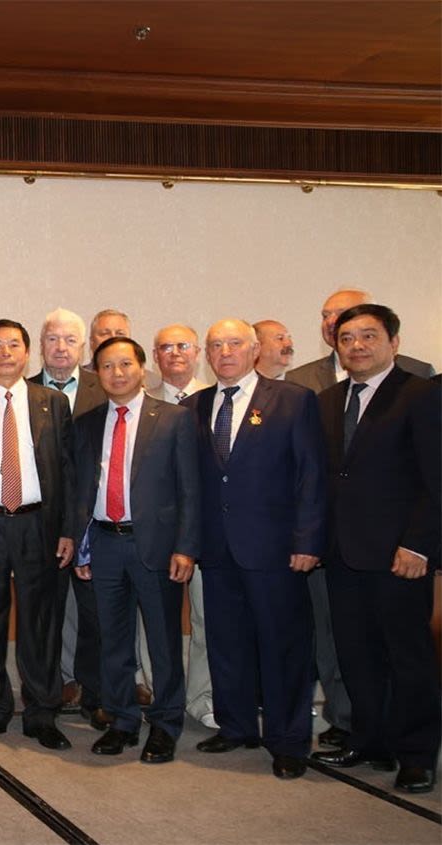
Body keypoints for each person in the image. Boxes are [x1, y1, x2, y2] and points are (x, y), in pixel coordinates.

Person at [285, 287, 433, 751]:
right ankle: (370, 742)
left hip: (399, 554)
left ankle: (417, 752)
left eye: (369, 336)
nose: (357, 346)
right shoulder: (327, 400)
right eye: (347, 338)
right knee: (357, 655)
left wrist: (419, 544)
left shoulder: (421, 394)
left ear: (394, 342)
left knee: (407, 656)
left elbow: (436, 480)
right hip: (342, 554)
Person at [189, 319, 325, 780]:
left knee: (282, 646)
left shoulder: (293, 400)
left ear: (254, 351)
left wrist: (308, 540)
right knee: (226, 643)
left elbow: (310, 475)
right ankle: (236, 725)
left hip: (276, 549)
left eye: (234, 343)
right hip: (216, 549)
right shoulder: (194, 406)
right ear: (207, 355)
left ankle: (288, 740)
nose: (225, 352)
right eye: (216, 345)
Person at [74, 337, 199, 764]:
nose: (117, 373)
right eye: (107, 366)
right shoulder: (88, 423)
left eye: (125, 364)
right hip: (104, 542)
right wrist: (81, 545)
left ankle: (165, 724)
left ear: (142, 368)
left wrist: (186, 547)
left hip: (157, 547)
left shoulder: (174, 419)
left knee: (163, 642)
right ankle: (123, 719)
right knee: (113, 640)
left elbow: (190, 489)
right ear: (98, 374)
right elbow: (81, 489)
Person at [0, 319, 76, 750]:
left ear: (27, 354)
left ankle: (42, 712)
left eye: (13, 345)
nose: (5, 352)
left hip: (37, 524)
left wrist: (68, 530)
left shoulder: (53, 402)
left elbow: (68, 471)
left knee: (40, 622)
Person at [28, 308, 106, 727]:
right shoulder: (20, 391)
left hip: (94, 524)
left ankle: (96, 695)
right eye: (52, 339)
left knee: (95, 617)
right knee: (45, 617)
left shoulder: (104, 387)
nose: (61, 347)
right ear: (41, 345)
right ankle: (46, 695)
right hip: (41, 527)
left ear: (84, 346)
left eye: (70, 340)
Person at [147, 323, 214, 728]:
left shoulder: (215, 398)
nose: (174, 353)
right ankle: (156, 693)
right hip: (153, 532)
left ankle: (203, 698)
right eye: (165, 347)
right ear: (155, 356)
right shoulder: (139, 399)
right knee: (152, 622)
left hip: (204, 530)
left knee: (206, 618)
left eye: (183, 346)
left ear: (197, 353)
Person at [286, 288, 435, 393]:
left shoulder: (418, 372)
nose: (331, 322)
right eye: (325, 316)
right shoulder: (299, 379)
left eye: (343, 314)